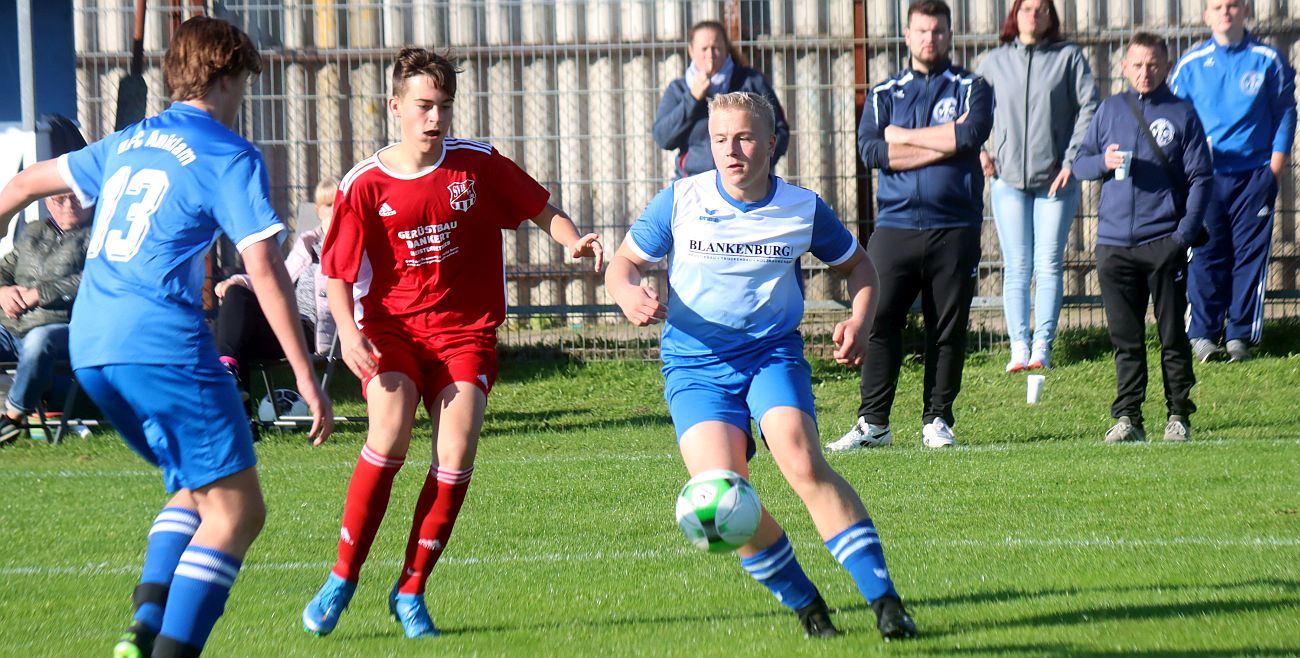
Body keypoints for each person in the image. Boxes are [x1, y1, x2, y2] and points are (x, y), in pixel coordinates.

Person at [0, 16, 333, 658]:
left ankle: (143, 626)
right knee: (239, 514)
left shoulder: (127, 143)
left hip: (93, 346)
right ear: (224, 78)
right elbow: (262, 267)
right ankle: (167, 649)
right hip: (162, 344)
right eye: (243, 84)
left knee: (198, 485)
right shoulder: (229, 154)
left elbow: (18, 186)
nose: (242, 100)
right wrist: (303, 373)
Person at [302, 47, 603, 639]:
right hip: (392, 330)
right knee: (387, 433)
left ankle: (411, 590)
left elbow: (544, 210)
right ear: (395, 107)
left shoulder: (478, 164)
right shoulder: (365, 184)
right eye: (422, 106)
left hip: (465, 333)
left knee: (457, 451)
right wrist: (350, 331)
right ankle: (341, 578)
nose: (434, 118)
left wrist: (572, 240)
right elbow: (334, 273)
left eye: (443, 106)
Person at [607, 91, 917, 641]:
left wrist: (861, 321)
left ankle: (885, 600)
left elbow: (860, 267)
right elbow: (624, 263)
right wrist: (627, 293)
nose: (732, 150)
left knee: (802, 461)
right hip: (696, 365)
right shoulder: (680, 199)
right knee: (719, 499)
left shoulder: (801, 207)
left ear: (771, 144)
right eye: (721, 139)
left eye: (746, 138)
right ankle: (807, 605)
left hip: (770, 354)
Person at [829, 0, 993, 451]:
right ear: (907, 35)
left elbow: (970, 134)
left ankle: (937, 420)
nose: (929, 39)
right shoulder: (884, 93)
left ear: (950, 34)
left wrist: (902, 137)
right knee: (880, 321)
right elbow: (872, 152)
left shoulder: (973, 87)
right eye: (921, 31)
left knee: (947, 325)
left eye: (938, 31)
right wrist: (943, 144)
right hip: (895, 226)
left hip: (954, 225)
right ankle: (873, 423)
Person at [1072, 32, 1213, 443]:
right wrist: (1103, 161)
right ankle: (1128, 418)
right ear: (1123, 67)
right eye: (1137, 64)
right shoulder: (1111, 109)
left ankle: (1178, 415)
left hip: (1163, 242)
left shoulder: (1182, 113)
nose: (1144, 72)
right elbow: (1080, 164)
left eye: (1153, 64)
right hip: (1114, 245)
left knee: (1172, 334)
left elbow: (1201, 178)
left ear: (1166, 67)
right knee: (1125, 339)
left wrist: (1182, 236)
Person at [1171, 0, 1297, 363]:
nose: (1225, 12)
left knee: (1249, 256)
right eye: (1217, 6)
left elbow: (1285, 113)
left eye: (1233, 5)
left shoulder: (1268, 59)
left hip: (1254, 176)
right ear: (1207, 15)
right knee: (1206, 254)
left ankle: (1240, 335)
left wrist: (1273, 168)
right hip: (1205, 179)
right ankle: (1203, 335)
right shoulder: (1190, 65)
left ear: (1246, 11)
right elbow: (1177, 119)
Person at [976, 0, 1099, 372]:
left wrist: (1071, 161)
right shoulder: (993, 61)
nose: (1034, 14)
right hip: (1007, 180)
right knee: (1016, 266)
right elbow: (971, 110)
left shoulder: (1069, 58)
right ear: (1015, 14)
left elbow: (1089, 107)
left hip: (1055, 181)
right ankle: (1018, 346)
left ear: (1051, 16)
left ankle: (1042, 344)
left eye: (1042, 8)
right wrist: (980, 151)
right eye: (1027, 7)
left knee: (1047, 263)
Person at [215, 177, 340, 420]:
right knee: (236, 296)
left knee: (232, 331)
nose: (334, 210)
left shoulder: (356, 242)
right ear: (317, 211)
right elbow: (278, 275)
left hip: (315, 332)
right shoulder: (308, 243)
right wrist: (240, 281)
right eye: (328, 205)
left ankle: (233, 408)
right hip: (291, 324)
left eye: (340, 203)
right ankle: (228, 377)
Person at [0, 191, 93, 444]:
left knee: (39, 339)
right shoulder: (34, 231)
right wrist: (3, 290)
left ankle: (12, 419)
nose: (67, 205)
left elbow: (95, 277)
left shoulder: (99, 234)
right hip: (11, 326)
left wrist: (39, 294)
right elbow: (4, 269)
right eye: (59, 199)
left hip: (63, 327)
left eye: (76, 198)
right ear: (47, 203)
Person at [653, 20, 790, 179]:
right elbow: (663, 138)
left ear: (726, 50)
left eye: (716, 48)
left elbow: (780, 131)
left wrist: (758, 165)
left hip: (746, 184)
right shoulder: (679, 89)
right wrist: (692, 99)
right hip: (695, 182)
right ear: (691, 51)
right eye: (704, 49)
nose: (710, 55)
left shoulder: (751, 82)